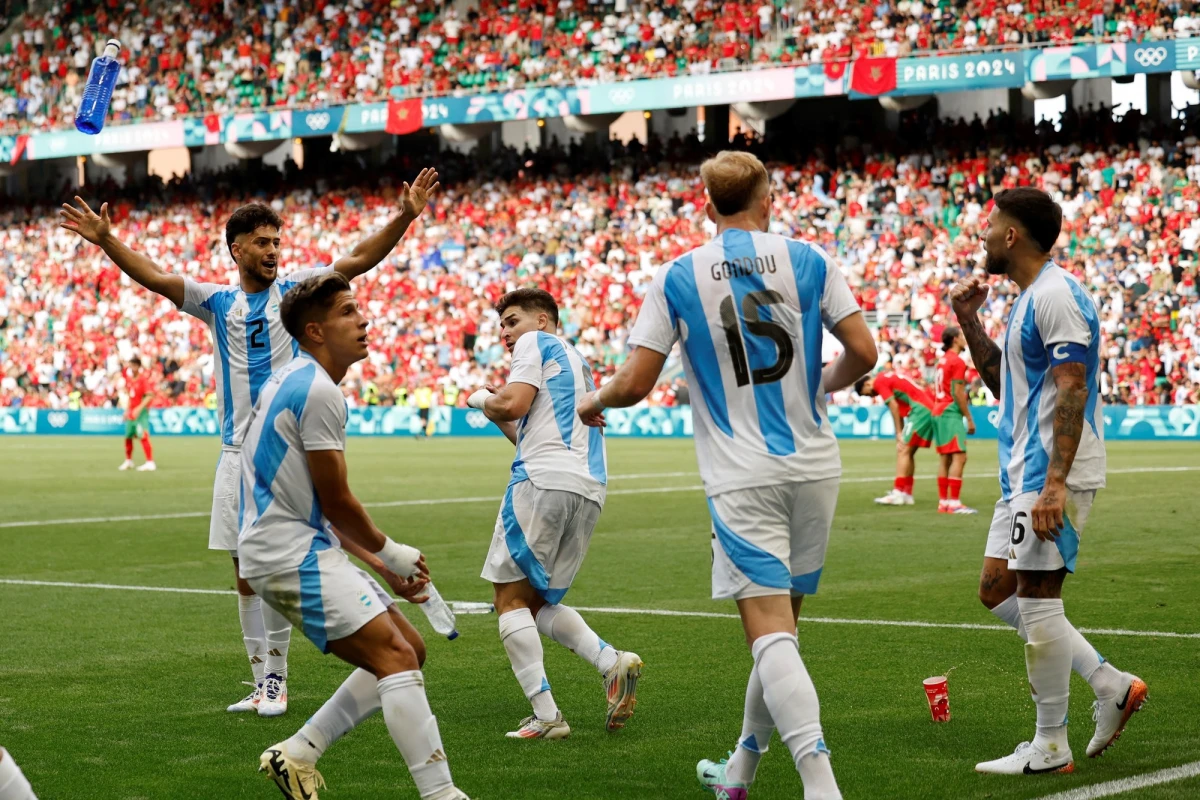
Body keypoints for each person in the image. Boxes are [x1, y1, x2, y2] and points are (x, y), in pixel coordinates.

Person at [58, 167, 439, 716]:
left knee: (291, 555)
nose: (273, 250)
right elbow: (157, 277)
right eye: (261, 242)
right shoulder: (217, 302)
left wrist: (404, 215)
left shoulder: (296, 292)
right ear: (236, 249)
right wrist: (107, 240)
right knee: (244, 571)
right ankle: (262, 679)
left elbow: (356, 260)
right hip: (235, 455)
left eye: (277, 241)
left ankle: (279, 678)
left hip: (286, 452)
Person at [575, 151, 877, 800]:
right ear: (768, 197)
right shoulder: (810, 260)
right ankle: (739, 773)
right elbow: (865, 352)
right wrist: (823, 387)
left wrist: (592, 403)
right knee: (782, 633)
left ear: (706, 205)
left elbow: (633, 383)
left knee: (770, 635)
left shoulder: (678, 276)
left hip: (742, 475)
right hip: (816, 465)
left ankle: (821, 787)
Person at [241, 272, 469, 800]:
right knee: (393, 655)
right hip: (287, 552)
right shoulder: (318, 391)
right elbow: (338, 501)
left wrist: (382, 565)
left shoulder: (294, 378)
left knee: (409, 647)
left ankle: (297, 753)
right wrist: (391, 551)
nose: (363, 319)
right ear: (315, 331)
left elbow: (322, 507)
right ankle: (442, 794)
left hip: (292, 543)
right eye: (348, 311)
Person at [952, 187, 1146, 775]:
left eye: (990, 225)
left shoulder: (1057, 295)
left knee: (1038, 601)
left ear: (1011, 236)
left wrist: (1055, 484)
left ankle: (1050, 744)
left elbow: (1072, 385)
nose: (983, 235)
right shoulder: (1028, 299)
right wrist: (968, 319)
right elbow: (1001, 381)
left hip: (1049, 475)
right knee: (997, 590)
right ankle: (1109, 684)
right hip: (1021, 475)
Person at [466, 288, 642, 740]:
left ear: (542, 320)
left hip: (541, 482)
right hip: (587, 488)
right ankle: (611, 662)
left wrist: (477, 400)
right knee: (539, 601)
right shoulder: (577, 361)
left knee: (508, 600)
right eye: (501, 325)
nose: (505, 332)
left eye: (512, 321)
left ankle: (547, 717)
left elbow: (513, 404)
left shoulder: (534, 344)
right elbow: (523, 427)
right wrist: (495, 409)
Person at [854, 370, 936, 505]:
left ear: (867, 383)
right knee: (909, 453)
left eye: (866, 393)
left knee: (903, 450)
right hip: (926, 408)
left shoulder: (879, 382)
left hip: (920, 410)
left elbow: (893, 405)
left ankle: (897, 493)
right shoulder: (887, 376)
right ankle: (906, 494)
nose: (870, 396)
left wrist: (898, 433)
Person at [933, 327, 977, 514]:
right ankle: (954, 503)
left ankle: (943, 502)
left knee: (945, 458)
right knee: (960, 456)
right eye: (961, 336)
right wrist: (968, 417)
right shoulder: (957, 361)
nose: (964, 339)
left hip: (937, 410)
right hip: (950, 411)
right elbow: (958, 392)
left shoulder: (941, 361)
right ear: (955, 339)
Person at [118, 357, 156, 472]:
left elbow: (150, 395)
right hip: (132, 412)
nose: (132, 368)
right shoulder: (129, 380)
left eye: (134, 365)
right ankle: (128, 460)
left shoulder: (143, 380)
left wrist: (139, 408)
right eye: (130, 365)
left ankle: (150, 462)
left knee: (143, 436)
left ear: (138, 366)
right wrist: (127, 410)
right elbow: (131, 396)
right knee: (128, 436)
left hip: (141, 413)